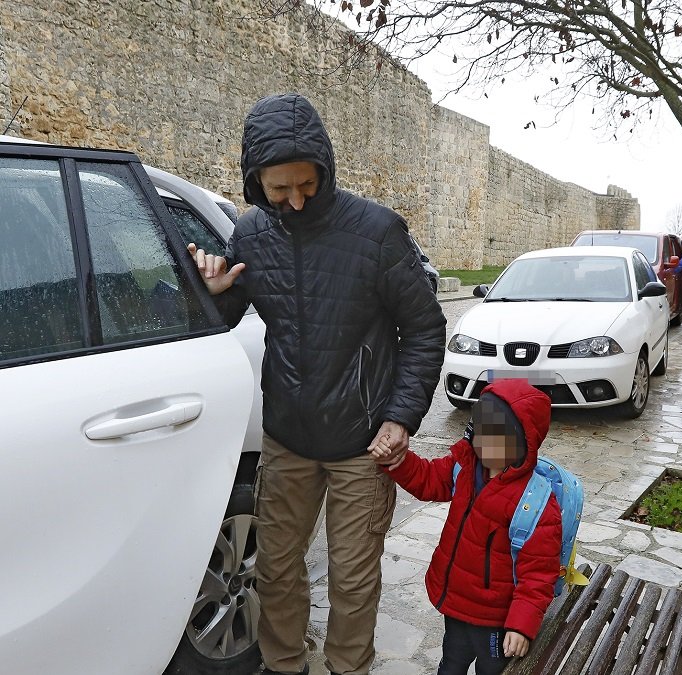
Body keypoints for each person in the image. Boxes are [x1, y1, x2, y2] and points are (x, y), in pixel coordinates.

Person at [188, 93, 447, 675]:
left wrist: (400, 417)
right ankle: (285, 666)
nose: (296, 200)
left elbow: (426, 328)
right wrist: (212, 291)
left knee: (353, 580)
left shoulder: (377, 232)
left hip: (363, 443)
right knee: (277, 571)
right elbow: (226, 318)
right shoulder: (251, 235)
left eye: (307, 184)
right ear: (255, 182)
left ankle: (348, 669)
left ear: (324, 170)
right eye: (280, 190)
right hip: (288, 438)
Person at [375, 379, 562, 675]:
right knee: (451, 663)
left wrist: (521, 625)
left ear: (523, 443)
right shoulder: (464, 466)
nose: (484, 445)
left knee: (491, 670)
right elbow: (429, 479)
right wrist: (398, 462)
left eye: (497, 437)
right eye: (481, 432)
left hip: (496, 619)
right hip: (457, 602)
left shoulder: (535, 503)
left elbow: (538, 574)